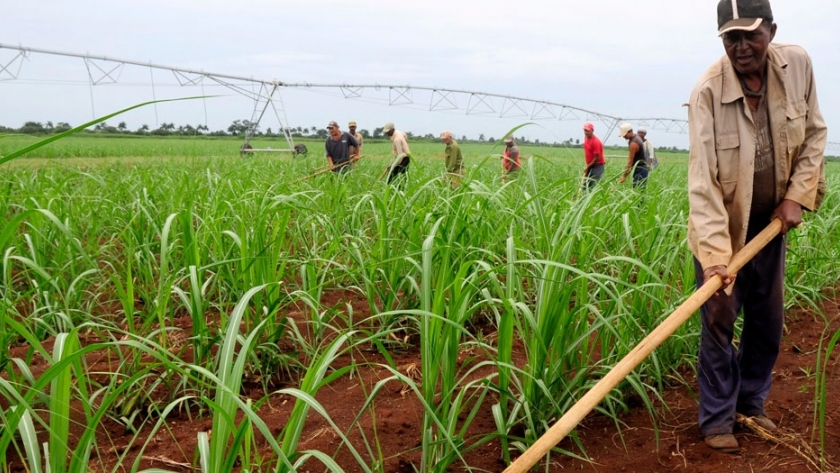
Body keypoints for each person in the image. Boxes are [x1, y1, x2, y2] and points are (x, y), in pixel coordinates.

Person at [687, 0, 826, 453]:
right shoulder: (707, 92)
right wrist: (714, 260)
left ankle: (751, 403)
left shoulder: (798, 65)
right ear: (722, 39)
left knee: (767, 321)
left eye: (751, 34)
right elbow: (703, 183)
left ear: (771, 29)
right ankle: (716, 419)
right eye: (731, 37)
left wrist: (796, 196)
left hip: (771, 226)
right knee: (719, 320)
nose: (742, 46)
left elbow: (815, 135)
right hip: (724, 231)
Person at [617, 123, 648, 189]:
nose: (623, 136)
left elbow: (630, 162)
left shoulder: (633, 143)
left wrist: (624, 176)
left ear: (630, 131)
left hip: (640, 169)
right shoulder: (636, 137)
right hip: (641, 168)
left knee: (638, 191)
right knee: (638, 190)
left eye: (625, 134)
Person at [582, 122, 605, 191]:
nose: (586, 132)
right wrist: (588, 167)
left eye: (588, 131)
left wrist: (588, 167)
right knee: (585, 185)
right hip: (590, 165)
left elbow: (597, 158)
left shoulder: (596, 142)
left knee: (592, 185)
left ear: (592, 131)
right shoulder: (586, 138)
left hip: (597, 166)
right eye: (585, 130)